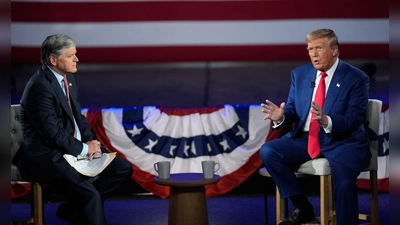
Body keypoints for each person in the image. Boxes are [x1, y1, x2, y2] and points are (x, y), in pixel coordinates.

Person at [18, 34, 133, 225]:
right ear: (53, 59)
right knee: (91, 197)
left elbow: (77, 117)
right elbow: (52, 133)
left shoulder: (69, 78)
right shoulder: (39, 87)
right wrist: (85, 149)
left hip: (73, 147)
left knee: (122, 169)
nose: (77, 59)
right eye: (70, 56)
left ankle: (72, 209)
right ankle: (79, 207)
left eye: (75, 54)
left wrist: (92, 144)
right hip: (49, 154)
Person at [259, 28, 370, 225]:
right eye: (310, 49)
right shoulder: (300, 74)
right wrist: (281, 117)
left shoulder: (356, 78)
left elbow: (355, 118)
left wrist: (328, 121)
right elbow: (293, 110)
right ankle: (303, 207)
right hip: (307, 139)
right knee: (269, 151)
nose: (314, 54)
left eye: (319, 48)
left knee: (344, 186)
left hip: (342, 142)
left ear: (334, 50)